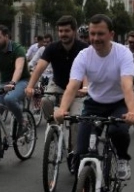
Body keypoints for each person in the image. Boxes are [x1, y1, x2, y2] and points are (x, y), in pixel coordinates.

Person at [53, 14, 134, 181]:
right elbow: (72, 86)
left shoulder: (123, 54)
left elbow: (127, 86)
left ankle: (122, 159)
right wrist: (62, 109)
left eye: (100, 34)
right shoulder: (84, 56)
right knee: (81, 152)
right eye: (92, 34)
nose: (95, 38)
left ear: (111, 34)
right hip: (94, 104)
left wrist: (133, 112)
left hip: (118, 103)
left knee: (117, 130)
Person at [25, 16, 88, 162]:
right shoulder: (52, 48)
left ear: (74, 32)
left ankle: (74, 153)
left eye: (67, 31)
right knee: (46, 100)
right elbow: (40, 67)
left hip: (77, 89)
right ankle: (53, 125)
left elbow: (86, 71)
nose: (63, 34)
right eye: (60, 31)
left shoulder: (83, 48)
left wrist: (85, 88)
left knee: (76, 121)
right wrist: (29, 87)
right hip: (58, 85)